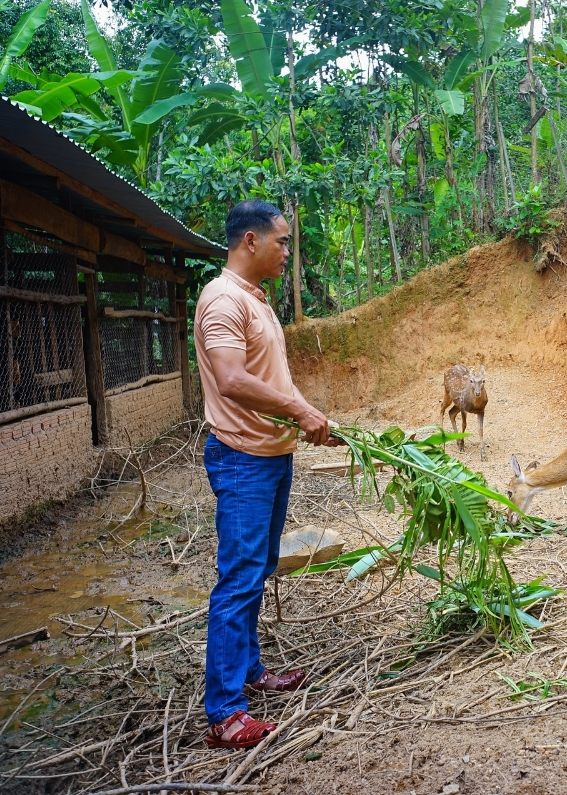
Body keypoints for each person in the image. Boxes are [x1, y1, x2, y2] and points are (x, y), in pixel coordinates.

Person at [194, 199, 337, 749]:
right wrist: (298, 412)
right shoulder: (223, 300)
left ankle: (249, 674)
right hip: (242, 460)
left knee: (258, 568)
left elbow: (272, 379)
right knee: (239, 578)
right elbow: (231, 379)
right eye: (281, 242)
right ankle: (226, 712)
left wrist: (311, 415)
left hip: (271, 456)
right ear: (250, 242)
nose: (286, 252)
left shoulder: (257, 301)